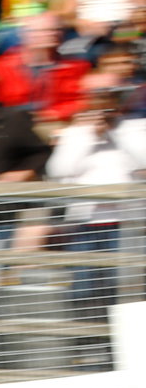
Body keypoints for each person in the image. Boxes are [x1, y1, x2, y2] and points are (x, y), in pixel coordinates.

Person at [45, 81, 146, 331]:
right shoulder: (74, 134)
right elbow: (59, 170)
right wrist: (90, 135)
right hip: (85, 224)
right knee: (84, 285)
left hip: (126, 224)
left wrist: (115, 133)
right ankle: (90, 341)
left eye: (109, 103)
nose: (104, 110)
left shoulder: (134, 129)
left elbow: (143, 161)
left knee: (125, 287)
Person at [0, 12, 91, 122]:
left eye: (57, 29)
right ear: (25, 35)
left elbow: (84, 101)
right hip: (11, 125)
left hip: (60, 124)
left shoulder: (77, 67)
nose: (52, 34)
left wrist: (51, 114)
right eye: (44, 30)